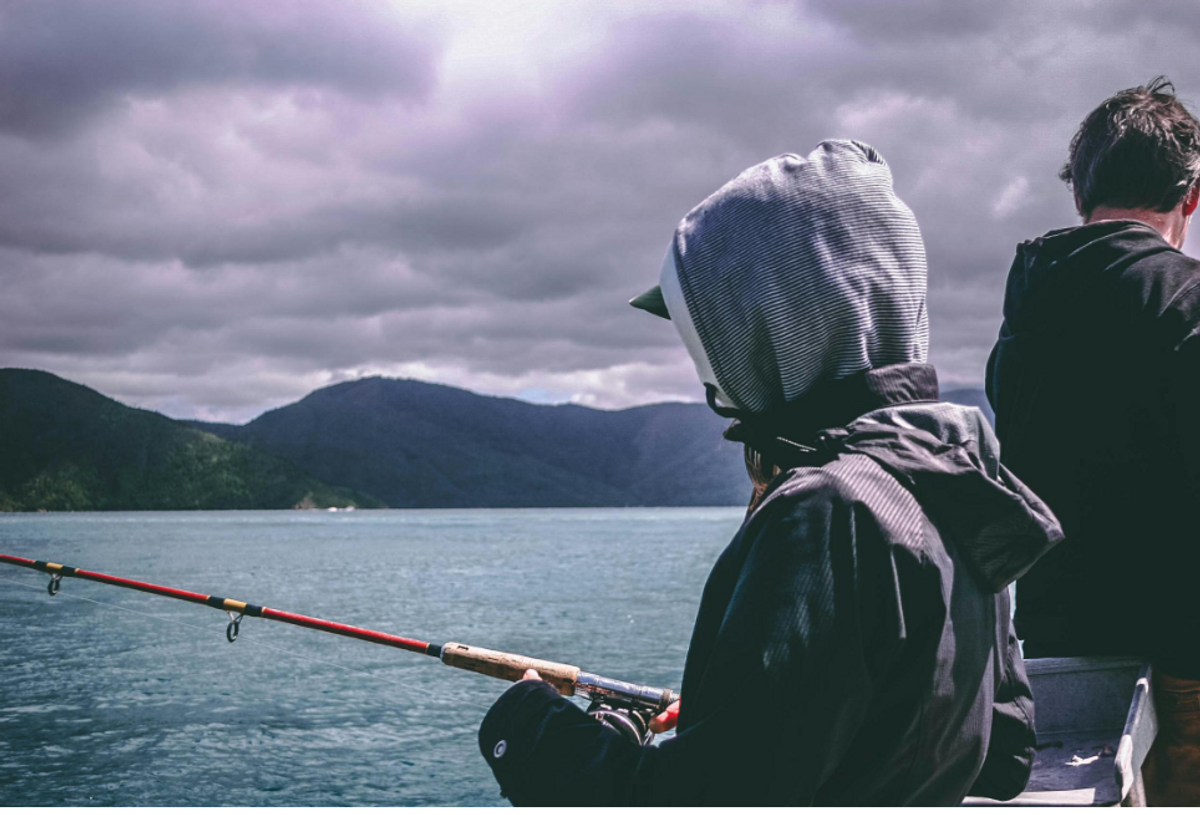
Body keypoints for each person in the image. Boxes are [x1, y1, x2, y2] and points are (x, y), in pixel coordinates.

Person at [477, 140, 1062, 805]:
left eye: (708, 330)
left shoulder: (827, 512)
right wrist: (740, 717)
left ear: (764, 325)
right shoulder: (953, 474)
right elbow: (1004, 753)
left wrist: (527, 724)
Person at [986, 77, 1200, 805]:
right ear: (1190, 197)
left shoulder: (1022, 324)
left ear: (1080, 193)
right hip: (1183, 670)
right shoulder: (1188, 304)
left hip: (1058, 666)